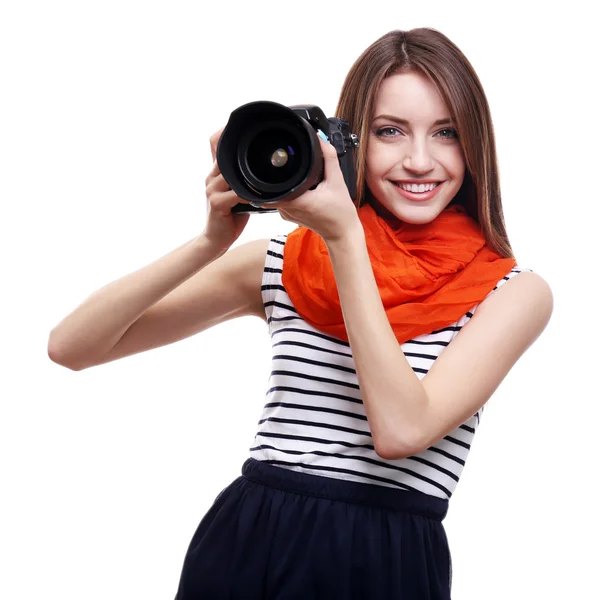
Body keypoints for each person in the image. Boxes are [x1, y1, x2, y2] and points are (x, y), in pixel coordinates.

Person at [48, 27, 553, 600]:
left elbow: (401, 428)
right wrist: (209, 243)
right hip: (247, 542)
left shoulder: (512, 291)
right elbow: (72, 346)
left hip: (387, 562)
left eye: (446, 133)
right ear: (352, 142)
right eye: (391, 131)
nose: (419, 160)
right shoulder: (285, 262)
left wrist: (344, 238)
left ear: (476, 146)